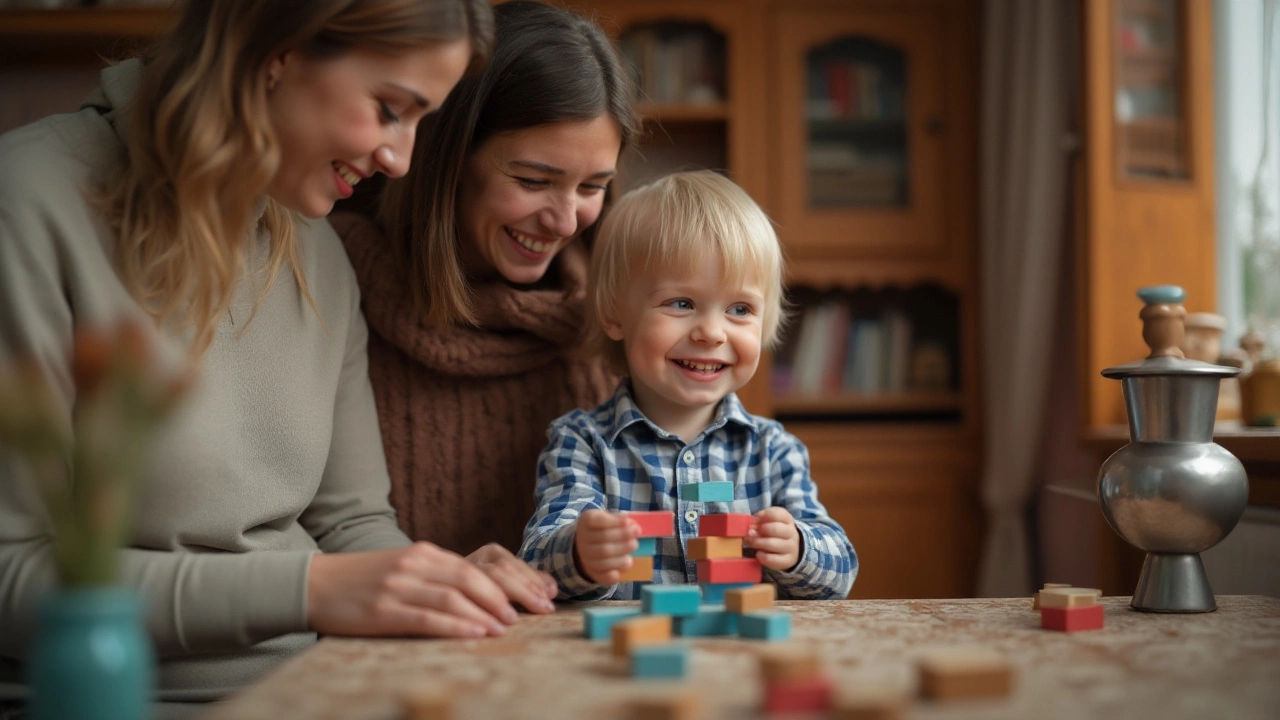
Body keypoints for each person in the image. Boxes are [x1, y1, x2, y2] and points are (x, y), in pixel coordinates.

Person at [0, 0, 558, 713]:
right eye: (390, 108)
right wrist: (312, 589)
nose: (400, 159)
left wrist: (427, 583)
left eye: (421, 122)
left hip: (313, 693)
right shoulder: (28, 202)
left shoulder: (319, 254)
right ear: (279, 50)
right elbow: (11, 571)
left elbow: (351, 524)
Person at [329, 0, 641, 556]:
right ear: (445, 156)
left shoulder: (614, 319)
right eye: (532, 179)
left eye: (592, 187)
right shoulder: (331, 283)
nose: (565, 220)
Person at [518, 170, 858, 601]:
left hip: (737, 655)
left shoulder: (773, 450)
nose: (712, 333)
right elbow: (535, 562)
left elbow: (841, 569)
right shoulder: (581, 443)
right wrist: (581, 555)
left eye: (739, 308)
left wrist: (798, 550)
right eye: (681, 303)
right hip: (625, 659)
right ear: (615, 315)